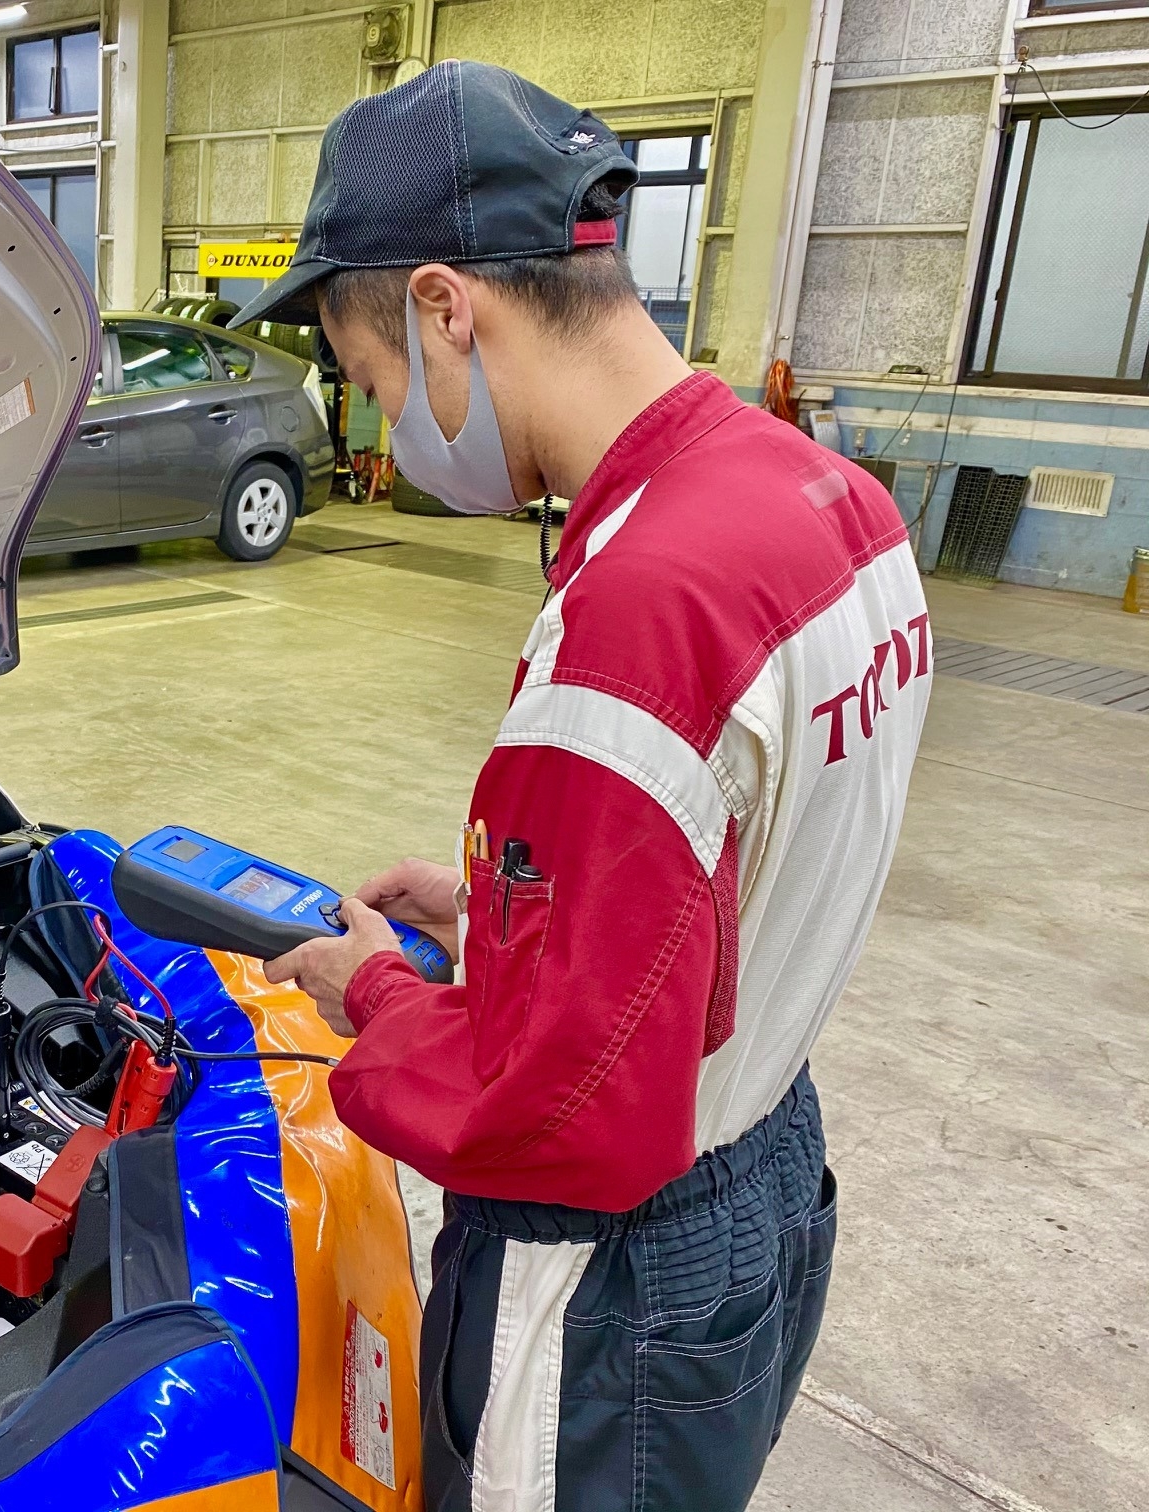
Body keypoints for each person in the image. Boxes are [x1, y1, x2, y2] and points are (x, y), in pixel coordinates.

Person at [234, 61, 930, 1512]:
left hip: (620, 1278)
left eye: (367, 385)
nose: (382, 439)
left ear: (442, 308)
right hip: (766, 1162)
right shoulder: (825, 500)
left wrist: (380, 994)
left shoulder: (637, 620)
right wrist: (507, 917)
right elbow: (730, 873)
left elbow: (559, 1116)